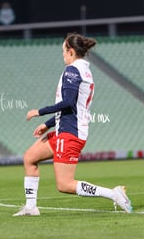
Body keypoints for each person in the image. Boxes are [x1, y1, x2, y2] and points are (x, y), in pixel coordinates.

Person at [13, 33, 133, 216]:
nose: (62, 55)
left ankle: (113, 194)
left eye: (63, 51)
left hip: (70, 133)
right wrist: (48, 124)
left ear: (70, 51)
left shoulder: (72, 70)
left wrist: (40, 111)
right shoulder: (85, 71)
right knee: (29, 157)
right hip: (66, 129)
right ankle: (30, 207)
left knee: (64, 184)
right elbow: (75, 107)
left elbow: (68, 102)